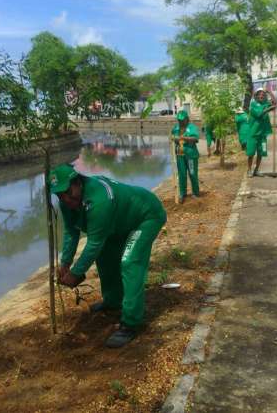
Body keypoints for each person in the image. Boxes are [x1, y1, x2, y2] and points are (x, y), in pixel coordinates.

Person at [49, 164, 167, 348]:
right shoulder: (67, 203)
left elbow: (94, 242)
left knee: (130, 261)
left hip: (145, 216)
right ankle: (113, 300)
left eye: (67, 192)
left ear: (77, 182)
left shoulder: (100, 200)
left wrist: (76, 272)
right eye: (59, 195)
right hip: (118, 223)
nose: (65, 199)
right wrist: (65, 263)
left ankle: (130, 323)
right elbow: (71, 232)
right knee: (104, 257)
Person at [246, 88, 277, 177]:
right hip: (253, 134)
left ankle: (256, 170)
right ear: (256, 96)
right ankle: (249, 170)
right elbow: (259, 114)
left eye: (263, 95)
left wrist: (270, 92)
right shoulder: (253, 105)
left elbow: (274, 103)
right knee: (251, 153)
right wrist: (269, 109)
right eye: (259, 95)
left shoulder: (265, 103)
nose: (261, 96)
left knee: (261, 153)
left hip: (262, 134)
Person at [171, 109, 200, 203]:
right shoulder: (175, 128)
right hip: (180, 155)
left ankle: (195, 193)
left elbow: (196, 138)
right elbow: (172, 137)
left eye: (182, 120)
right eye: (179, 120)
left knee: (192, 173)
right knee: (182, 174)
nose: (180, 122)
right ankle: (182, 193)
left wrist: (184, 138)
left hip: (191, 155)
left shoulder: (192, 127)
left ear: (187, 119)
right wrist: (174, 139)